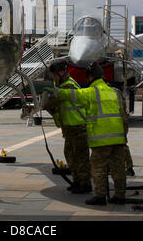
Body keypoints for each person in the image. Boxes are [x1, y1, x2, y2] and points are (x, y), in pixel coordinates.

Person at [43, 61, 126, 205]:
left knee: (97, 166)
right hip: (118, 137)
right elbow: (124, 116)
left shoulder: (90, 92)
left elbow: (72, 95)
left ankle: (99, 196)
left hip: (100, 137)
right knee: (117, 167)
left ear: (90, 77)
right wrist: (124, 135)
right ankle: (120, 195)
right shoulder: (115, 92)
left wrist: (53, 91)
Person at [47, 61, 91, 194]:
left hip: (78, 127)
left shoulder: (68, 86)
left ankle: (85, 184)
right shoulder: (60, 85)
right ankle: (77, 181)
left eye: (54, 75)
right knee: (70, 156)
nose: (53, 78)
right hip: (69, 128)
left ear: (61, 73)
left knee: (81, 158)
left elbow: (52, 102)